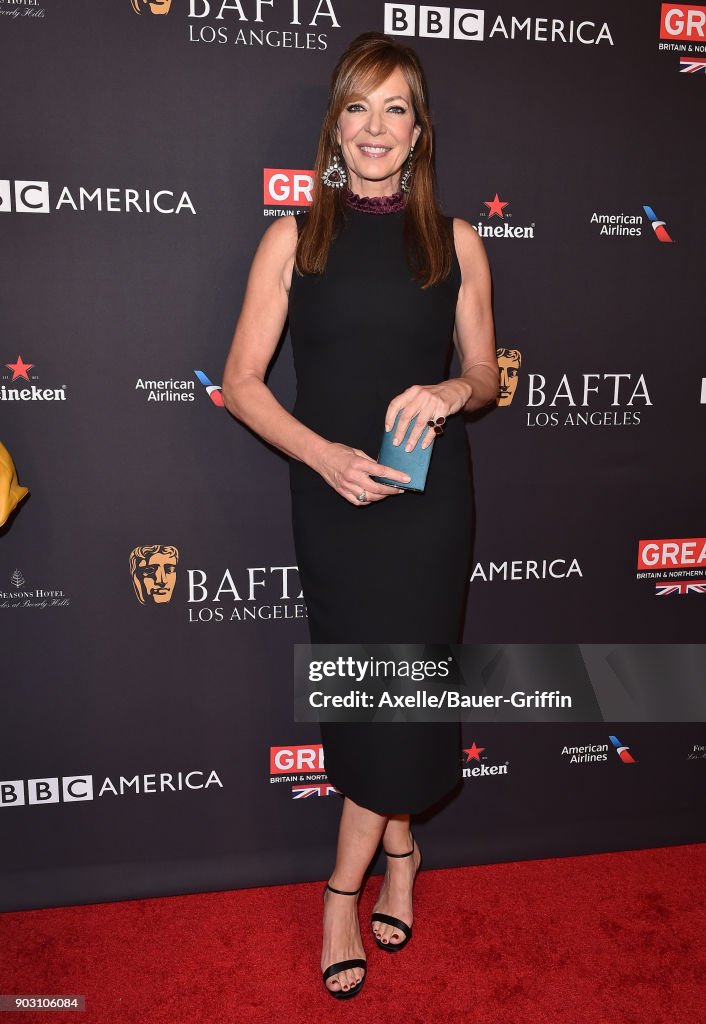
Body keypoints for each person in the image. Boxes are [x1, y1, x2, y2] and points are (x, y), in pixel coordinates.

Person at [221, 31, 498, 999]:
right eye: (358, 107)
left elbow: (483, 374)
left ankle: (343, 885)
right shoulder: (293, 237)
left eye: (396, 110)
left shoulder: (456, 239)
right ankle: (404, 849)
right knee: (363, 694)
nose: (375, 128)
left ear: (419, 132)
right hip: (333, 503)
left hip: (428, 509)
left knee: (406, 689)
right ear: (333, 124)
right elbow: (241, 384)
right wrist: (321, 454)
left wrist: (449, 393)